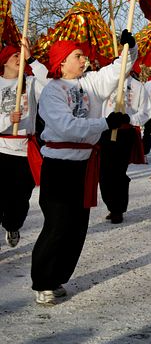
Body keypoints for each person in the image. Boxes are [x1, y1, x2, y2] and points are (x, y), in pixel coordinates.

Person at [31, 34, 136, 305]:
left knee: (78, 226)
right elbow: (67, 126)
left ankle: (57, 278)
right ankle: (42, 281)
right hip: (59, 165)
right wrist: (105, 123)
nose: (84, 59)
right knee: (57, 224)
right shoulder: (52, 91)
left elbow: (120, 69)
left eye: (83, 55)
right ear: (62, 62)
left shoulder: (89, 83)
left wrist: (129, 47)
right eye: (77, 56)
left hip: (84, 164)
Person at [0, 39, 48, 249]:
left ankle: (13, 224)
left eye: (21, 56)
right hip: (1, 148)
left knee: (19, 200)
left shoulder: (30, 82)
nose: (20, 59)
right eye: (15, 56)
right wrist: (6, 120)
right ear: (4, 62)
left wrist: (32, 60)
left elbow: (50, 84)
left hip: (24, 151)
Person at [99, 70, 150, 224]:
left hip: (125, 133)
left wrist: (130, 118)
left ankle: (118, 209)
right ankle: (111, 204)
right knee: (104, 172)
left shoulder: (137, 86)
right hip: (105, 131)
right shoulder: (106, 82)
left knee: (119, 172)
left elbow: (145, 112)